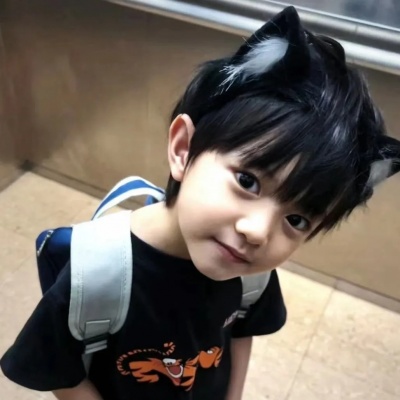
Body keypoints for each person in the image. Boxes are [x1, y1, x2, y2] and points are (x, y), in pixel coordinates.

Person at [1, 6, 399, 400]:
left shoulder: (250, 276)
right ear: (183, 149)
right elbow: (60, 371)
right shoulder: (95, 276)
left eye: (297, 220)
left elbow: (241, 331)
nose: (258, 232)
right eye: (248, 181)